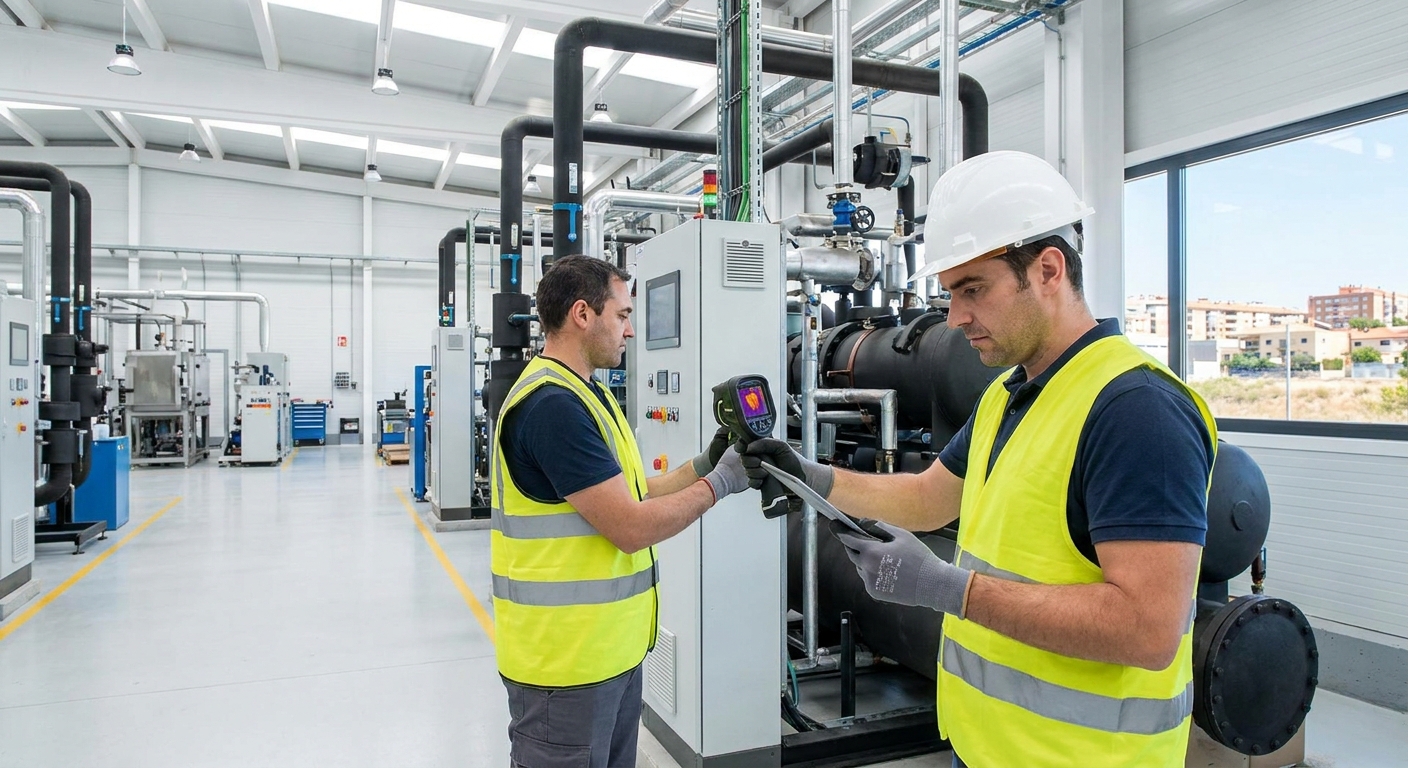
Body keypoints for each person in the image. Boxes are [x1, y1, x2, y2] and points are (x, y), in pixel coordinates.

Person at [743, 151, 1217, 768]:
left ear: (1049, 270)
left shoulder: (1137, 410)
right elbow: (928, 498)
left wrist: (946, 587)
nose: (956, 317)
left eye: (974, 290)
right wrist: (811, 477)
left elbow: (1147, 628)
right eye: (949, 293)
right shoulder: (1008, 394)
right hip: (989, 747)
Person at [491, 255, 750, 768]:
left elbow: (635, 492)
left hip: (611, 656)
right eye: (623, 315)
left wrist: (706, 461)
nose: (631, 331)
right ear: (583, 314)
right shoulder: (552, 406)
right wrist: (721, 485)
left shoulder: (589, 394)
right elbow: (630, 527)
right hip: (565, 668)